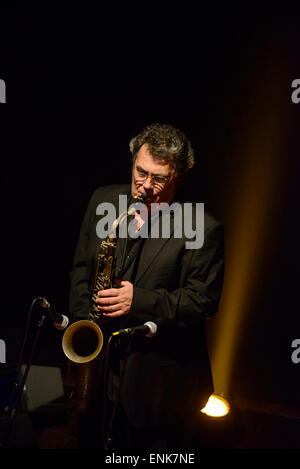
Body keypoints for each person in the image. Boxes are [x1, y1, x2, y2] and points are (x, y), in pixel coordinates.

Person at [69, 123, 224, 448]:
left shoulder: (202, 227)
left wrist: (137, 300)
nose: (146, 186)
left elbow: (202, 301)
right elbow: (82, 269)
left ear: (178, 178)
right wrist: (87, 325)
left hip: (155, 384)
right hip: (98, 371)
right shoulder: (104, 200)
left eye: (159, 178)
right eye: (141, 172)